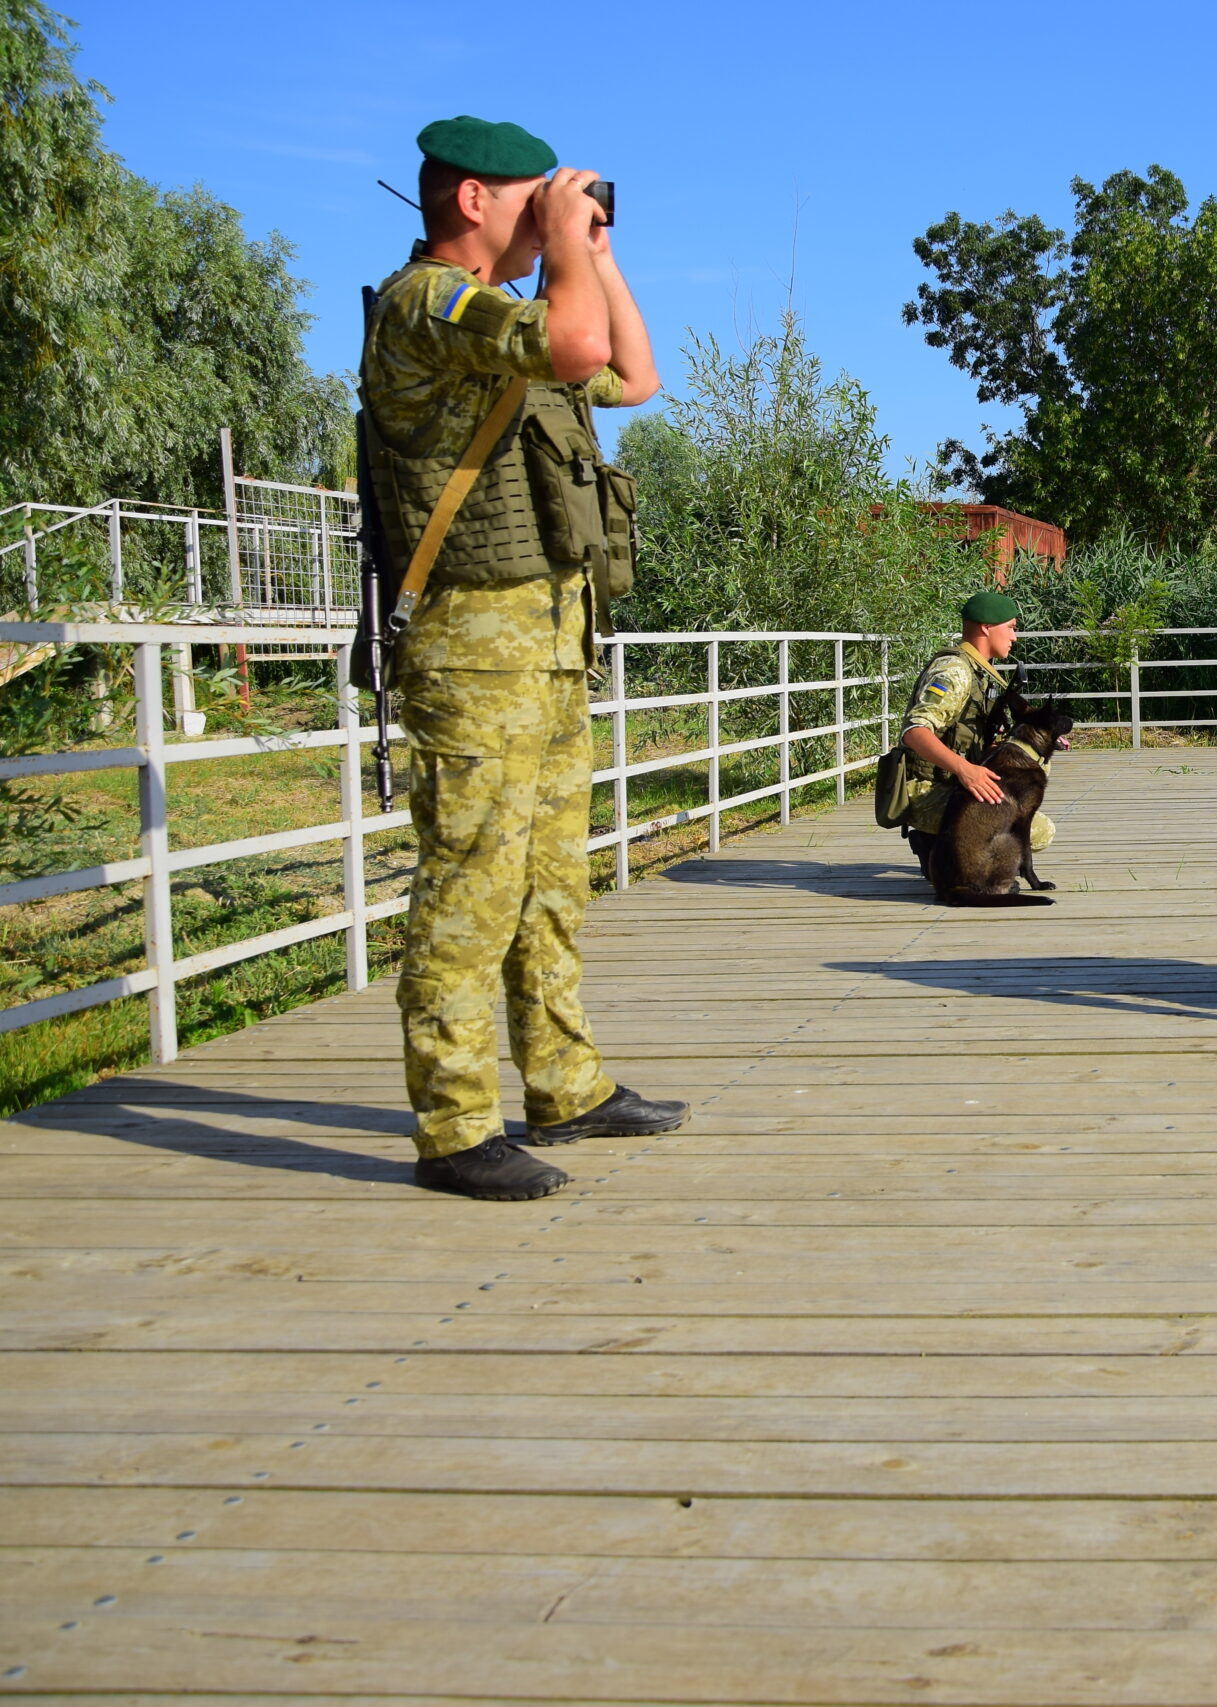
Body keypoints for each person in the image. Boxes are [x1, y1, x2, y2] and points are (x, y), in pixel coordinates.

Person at [362, 116, 686, 1202]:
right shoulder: (429, 305)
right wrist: (560, 245)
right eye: (530, 198)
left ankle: (566, 1084)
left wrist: (587, 249)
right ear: (471, 202)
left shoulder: (516, 323)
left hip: (547, 647)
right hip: (471, 650)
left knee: (550, 885)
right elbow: (579, 348)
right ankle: (454, 1125)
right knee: (470, 888)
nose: (551, 217)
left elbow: (633, 375)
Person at [879, 588, 1062, 871]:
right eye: (1011, 628)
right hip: (927, 789)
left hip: (950, 782)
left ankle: (948, 851)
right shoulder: (955, 671)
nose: (1014, 636)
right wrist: (967, 770)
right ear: (987, 628)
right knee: (1039, 830)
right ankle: (934, 843)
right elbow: (914, 731)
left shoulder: (979, 670)